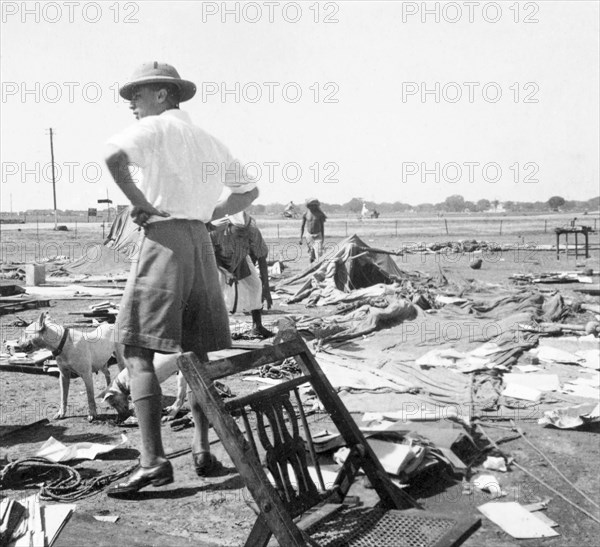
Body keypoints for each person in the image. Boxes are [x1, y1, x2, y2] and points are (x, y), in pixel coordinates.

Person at [103, 61, 258, 496]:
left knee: (134, 347)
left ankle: (152, 461)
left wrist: (142, 204)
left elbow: (113, 156)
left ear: (164, 94)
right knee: (196, 352)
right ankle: (201, 448)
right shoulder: (209, 139)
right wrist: (211, 212)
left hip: (165, 239)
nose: (132, 103)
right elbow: (249, 192)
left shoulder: (158, 130)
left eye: (139, 93)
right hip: (201, 242)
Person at [210, 212, 273, 338]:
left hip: (240, 259)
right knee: (216, 294)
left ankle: (257, 326)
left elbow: (261, 258)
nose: (243, 235)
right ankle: (217, 330)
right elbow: (210, 255)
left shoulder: (253, 231)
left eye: (245, 232)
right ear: (229, 226)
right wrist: (226, 272)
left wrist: (266, 287)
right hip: (217, 262)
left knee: (255, 286)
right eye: (239, 232)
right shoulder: (215, 231)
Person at [299, 198, 327, 263]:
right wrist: (301, 238)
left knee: (319, 253)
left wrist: (322, 238)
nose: (312, 207)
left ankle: (319, 268)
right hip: (309, 236)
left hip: (318, 235)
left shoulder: (320, 214)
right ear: (308, 206)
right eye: (311, 205)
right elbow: (302, 226)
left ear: (316, 206)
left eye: (314, 205)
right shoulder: (305, 214)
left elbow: (322, 227)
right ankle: (311, 267)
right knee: (311, 253)